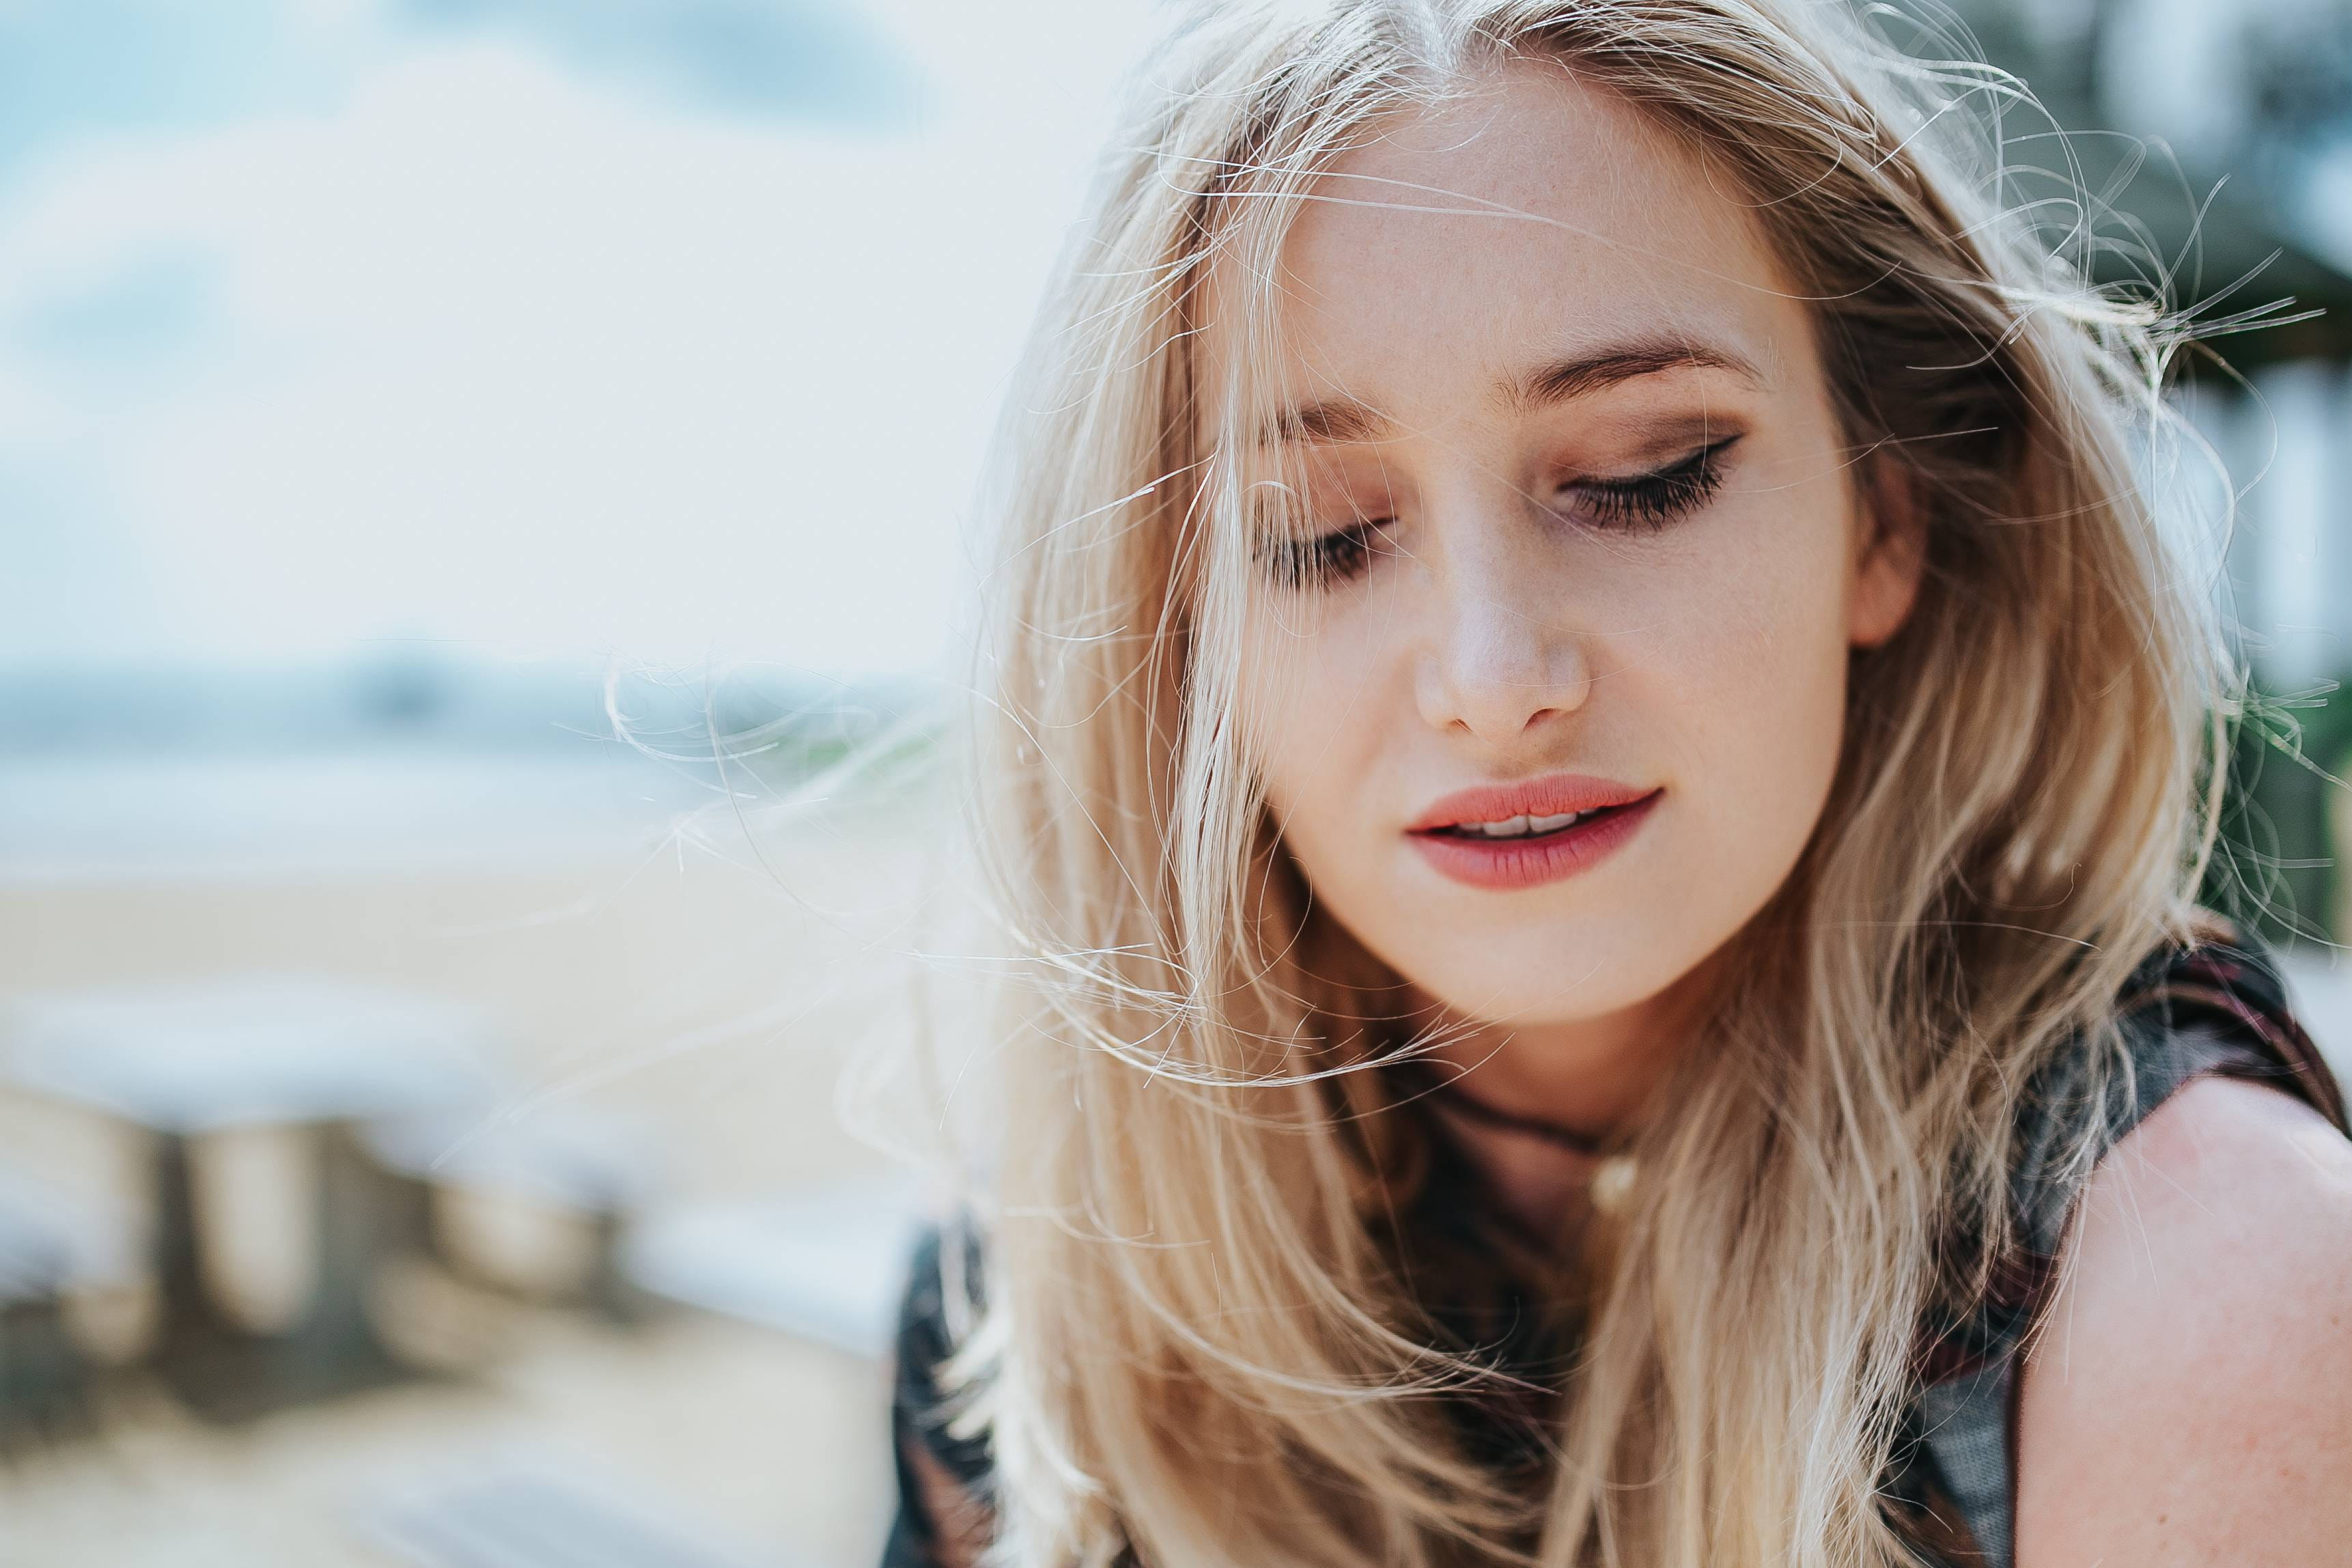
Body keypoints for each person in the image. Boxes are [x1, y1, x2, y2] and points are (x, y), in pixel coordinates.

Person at [881, 3, 2352, 1564]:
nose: (1497, 675)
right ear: (1177, 624)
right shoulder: (1048, 1295)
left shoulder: (2205, 1272)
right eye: (1320, 533)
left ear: (1885, 519)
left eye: (1643, 477)